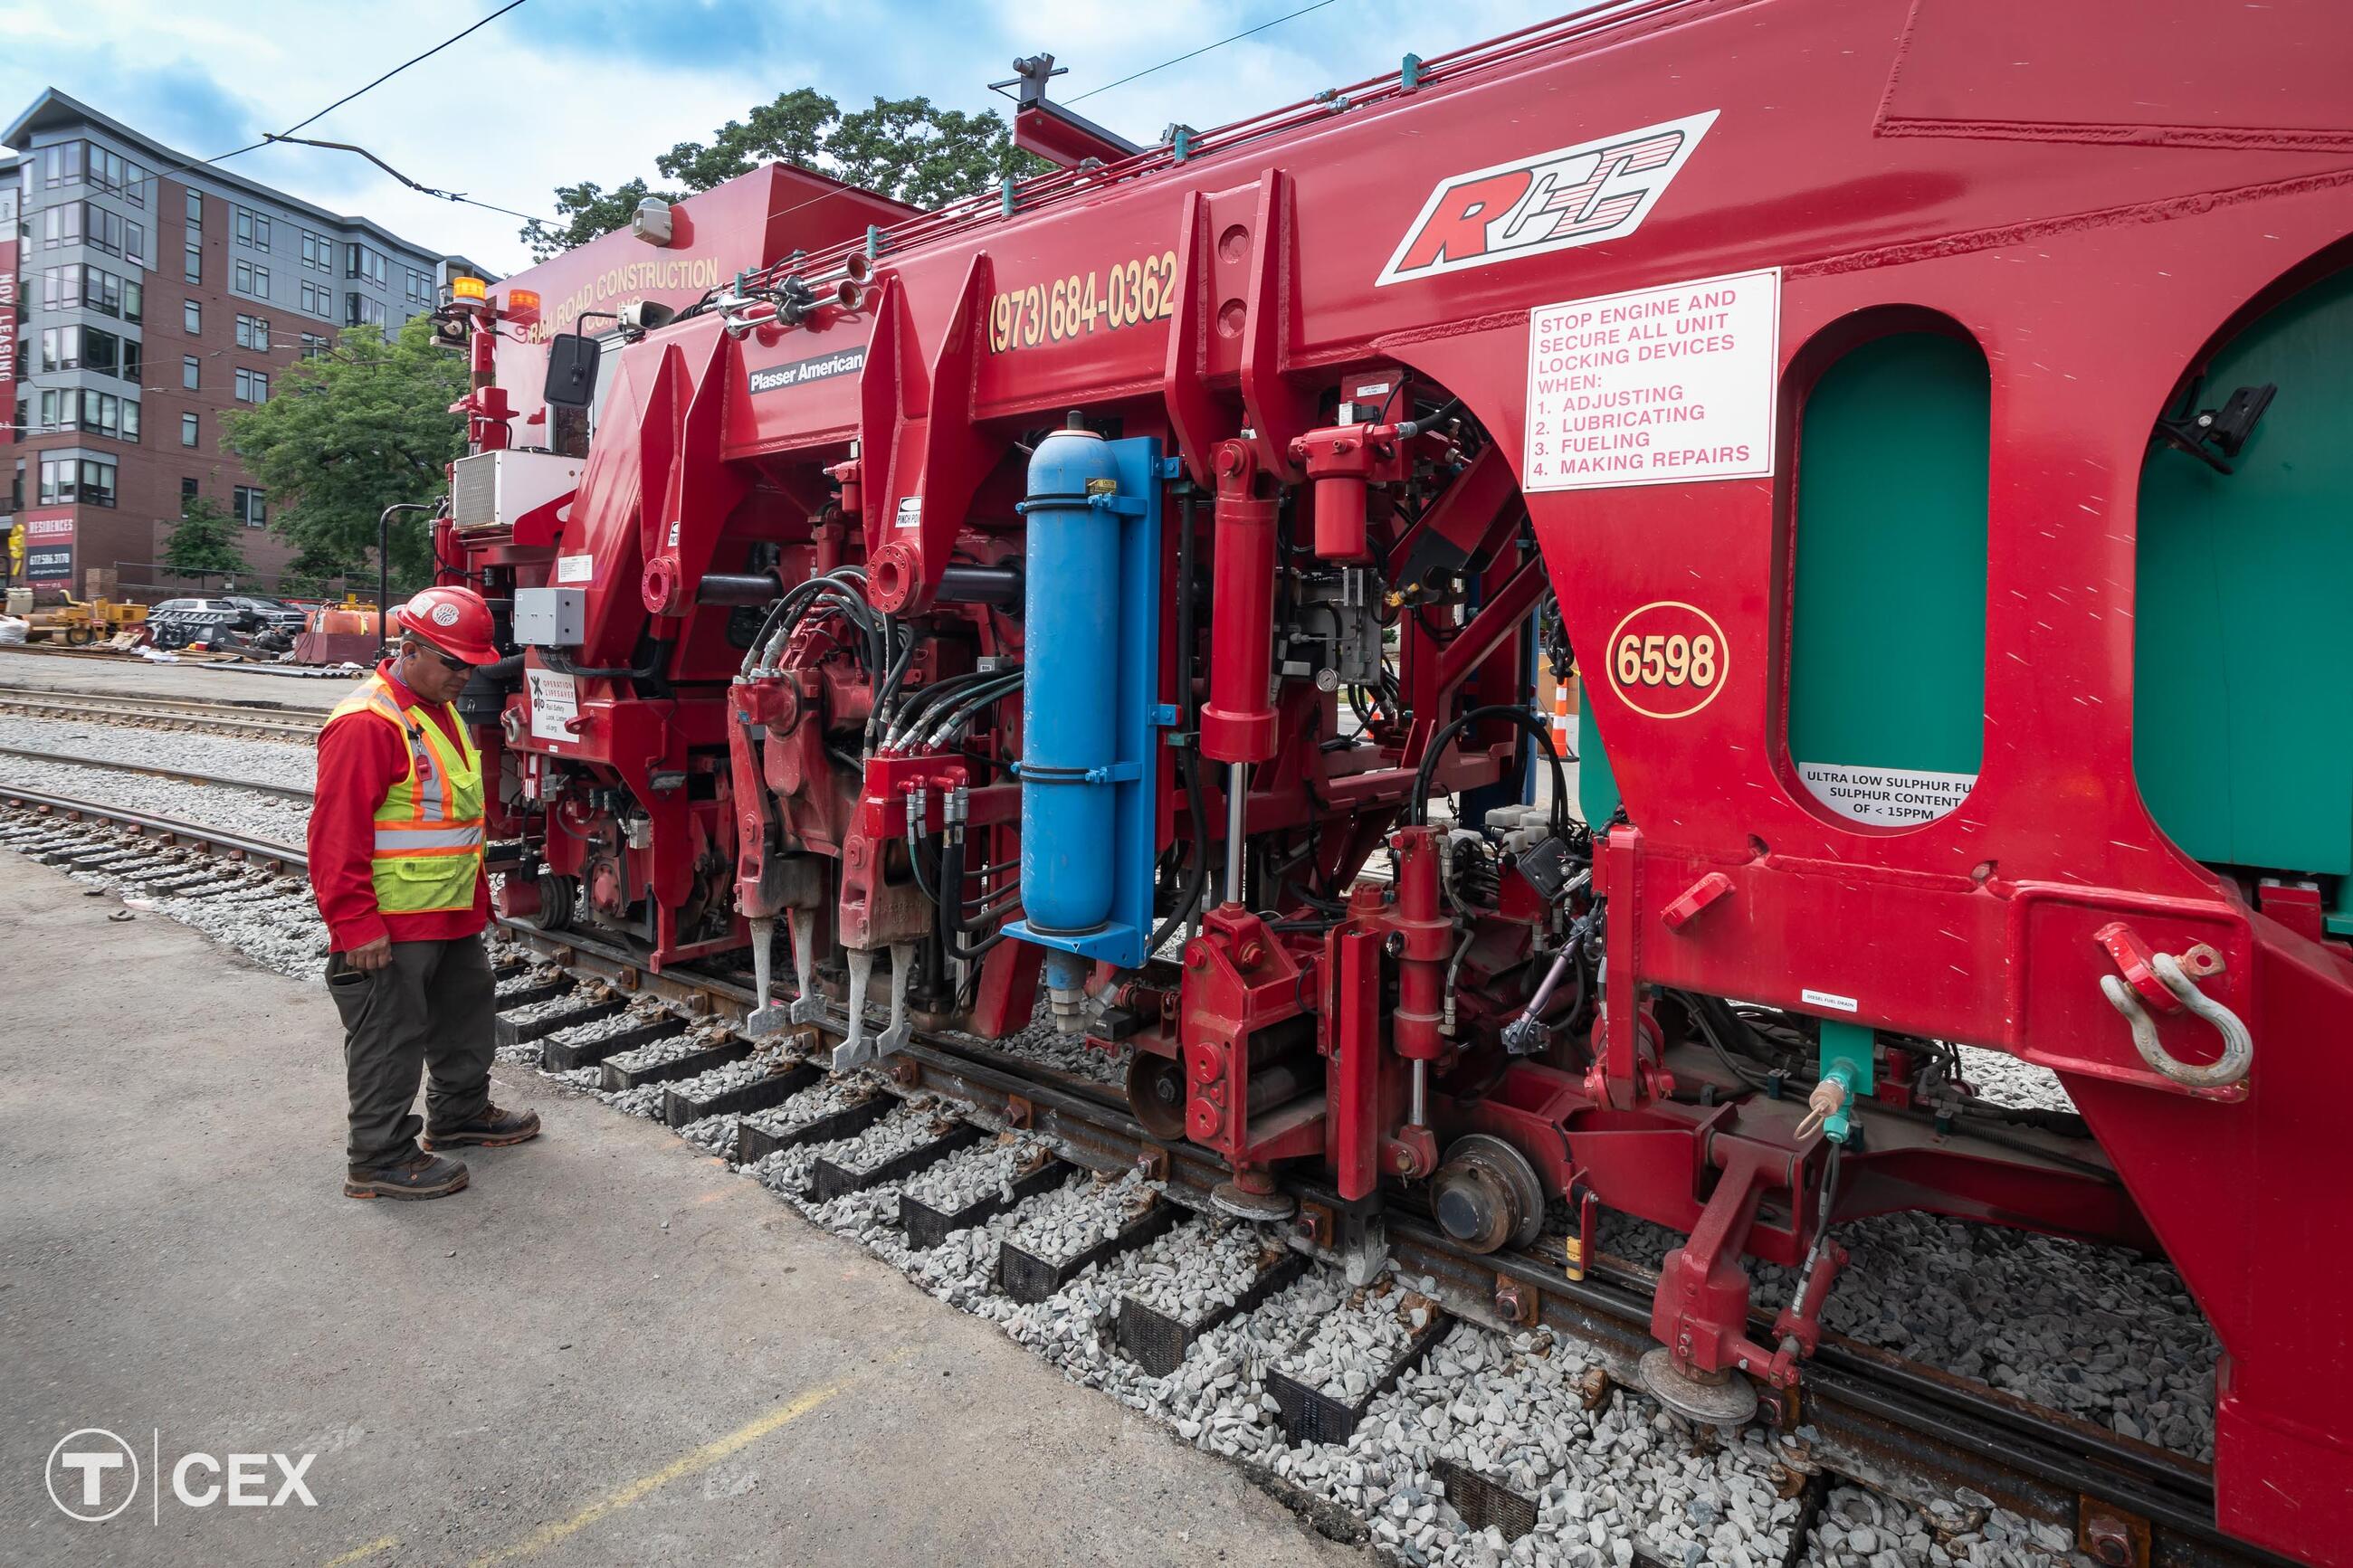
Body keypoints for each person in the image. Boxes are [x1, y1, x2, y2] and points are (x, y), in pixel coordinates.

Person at [310, 585, 539, 1199]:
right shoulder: (368, 723)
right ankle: (378, 1156)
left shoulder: (436, 711)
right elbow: (336, 839)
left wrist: (476, 904)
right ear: (409, 648)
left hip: (448, 913)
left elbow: (452, 825)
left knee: (466, 1014)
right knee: (390, 1034)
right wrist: (355, 926)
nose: (464, 675)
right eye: (452, 662)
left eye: (471, 664)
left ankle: (459, 1114)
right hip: (391, 923)